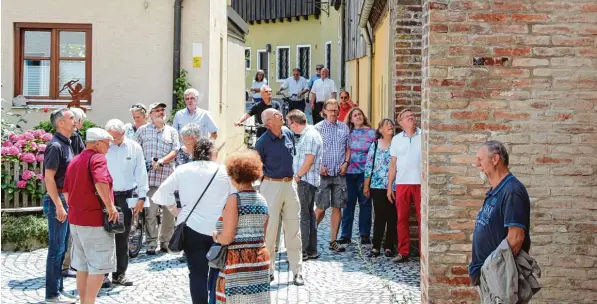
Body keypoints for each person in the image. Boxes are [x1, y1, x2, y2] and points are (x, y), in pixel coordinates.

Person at [151, 137, 234, 304]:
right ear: (214, 153)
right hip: (219, 229)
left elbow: (161, 194)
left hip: (191, 228)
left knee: (197, 273)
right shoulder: (224, 171)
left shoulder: (183, 170)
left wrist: (174, 209)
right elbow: (234, 197)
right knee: (220, 272)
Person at [62, 128, 120, 304]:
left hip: (76, 221)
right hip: (95, 221)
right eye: (107, 143)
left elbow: (65, 191)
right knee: (98, 265)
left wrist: (76, 207)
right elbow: (100, 181)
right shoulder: (97, 158)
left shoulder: (75, 160)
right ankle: (90, 302)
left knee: (82, 265)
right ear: (97, 143)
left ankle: (84, 302)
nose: (109, 147)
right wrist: (110, 207)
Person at [469, 141, 532, 290]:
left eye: (480, 159)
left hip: (500, 278)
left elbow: (516, 238)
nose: (477, 164)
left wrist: (491, 271)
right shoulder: (497, 189)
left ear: (495, 159)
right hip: (490, 278)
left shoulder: (512, 190)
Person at [213, 150, 271, 304]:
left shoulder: (234, 199)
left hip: (237, 263)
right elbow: (262, 235)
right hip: (259, 260)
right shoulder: (262, 200)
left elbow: (227, 237)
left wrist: (216, 236)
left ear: (234, 175)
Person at [255, 108, 304, 285]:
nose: (281, 115)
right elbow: (257, 169)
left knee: (293, 228)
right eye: (276, 115)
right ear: (268, 122)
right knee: (269, 231)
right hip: (270, 186)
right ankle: (268, 270)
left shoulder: (289, 134)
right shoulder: (261, 143)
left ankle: (297, 271)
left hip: (290, 185)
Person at [105, 119, 149, 286]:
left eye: (115, 137)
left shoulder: (134, 147)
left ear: (123, 134)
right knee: (104, 235)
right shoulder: (103, 146)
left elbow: (141, 172)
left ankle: (120, 274)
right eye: (110, 137)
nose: (112, 141)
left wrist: (142, 196)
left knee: (122, 236)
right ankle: (103, 274)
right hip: (105, 196)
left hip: (125, 196)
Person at [42, 108, 77, 304]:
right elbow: (49, 178)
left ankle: (59, 289)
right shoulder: (55, 146)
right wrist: (59, 205)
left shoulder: (68, 143)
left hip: (65, 201)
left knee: (62, 249)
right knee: (56, 249)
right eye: (71, 118)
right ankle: (51, 295)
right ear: (60, 123)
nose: (75, 120)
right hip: (58, 202)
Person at [136, 102, 180, 255]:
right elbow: (136, 151)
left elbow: (175, 150)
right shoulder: (142, 131)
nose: (161, 112)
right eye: (157, 110)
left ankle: (165, 242)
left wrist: (162, 160)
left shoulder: (172, 131)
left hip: (167, 179)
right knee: (150, 213)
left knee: (169, 214)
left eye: (162, 110)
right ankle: (151, 242)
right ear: (150, 115)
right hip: (149, 180)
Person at [313, 99, 350, 253]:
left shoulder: (344, 128)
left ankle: (333, 241)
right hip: (323, 174)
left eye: (336, 110)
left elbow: (348, 148)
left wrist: (346, 163)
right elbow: (312, 151)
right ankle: (309, 237)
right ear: (324, 111)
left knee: (337, 207)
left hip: (339, 173)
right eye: (331, 110)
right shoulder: (317, 129)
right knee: (321, 208)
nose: (334, 113)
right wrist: (319, 166)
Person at [286, 110, 323, 260]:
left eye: (290, 124)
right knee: (310, 216)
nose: (290, 127)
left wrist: (298, 176)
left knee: (303, 217)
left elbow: (309, 160)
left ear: (295, 123)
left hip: (305, 180)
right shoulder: (310, 134)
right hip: (308, 180)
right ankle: (312, 249)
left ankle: (303, 251)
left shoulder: (309, 136)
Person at [387, 109, 421, 263]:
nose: (411, 117)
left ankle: (423, 252)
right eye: (407, 116)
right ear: (400, 123)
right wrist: (390, 186)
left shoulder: (424, 135)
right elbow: (393, 164)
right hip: (402, 182)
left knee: (423, 219)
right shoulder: (396, 139)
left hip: (421, 183)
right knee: (402, 218)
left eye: (412, 115)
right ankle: (403, 251)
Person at [338, 108, 376, 245]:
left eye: (360, 114)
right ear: (351, 119)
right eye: (355, 115)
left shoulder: (372, 133)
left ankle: (364, 234)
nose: (358, 116)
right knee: (348, 204)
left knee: (365, 203)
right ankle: (345, 234)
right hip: (348, 173)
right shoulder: (347, 133)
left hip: (364, 174)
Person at [363, 119, 396, 257]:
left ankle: (389, 246)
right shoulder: (375, 145)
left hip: (394, 185)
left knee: (393, 216)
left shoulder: (397, 144)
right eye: (386, 124)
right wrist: (366, 185)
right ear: (380, 129)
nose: (390, 126)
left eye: (391, 124)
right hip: (377, 185)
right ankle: (376, 246)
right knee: (379, 215)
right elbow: (369, 166)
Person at [61, 107, 85, 279]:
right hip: (71, 188)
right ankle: (64, 266)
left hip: (68, 188)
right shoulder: (74, 138)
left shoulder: (71, 137)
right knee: (68, 231)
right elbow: (81, 158)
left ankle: (65, 265)